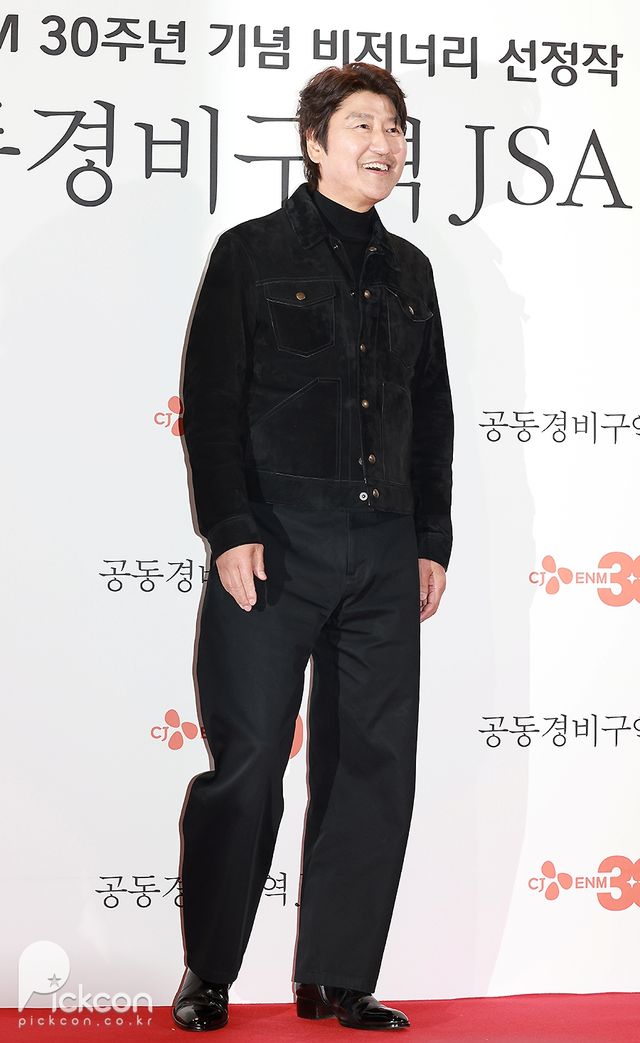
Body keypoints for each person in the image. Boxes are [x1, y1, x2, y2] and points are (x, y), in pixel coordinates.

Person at [172, 61, 454, 1032]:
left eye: (395, 128)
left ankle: (338, 976)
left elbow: (431, 418)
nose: (384, 143)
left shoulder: (411, 271)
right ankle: (208, 968)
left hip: (383, 549)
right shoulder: (250, 253)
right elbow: (210, 404)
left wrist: (429, 538)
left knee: (372, 763)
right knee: (248, 761)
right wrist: (230, 528)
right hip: (276, 547)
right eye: (363, 125)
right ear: (315, 143)